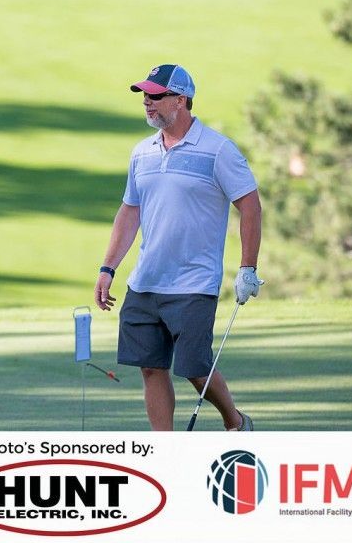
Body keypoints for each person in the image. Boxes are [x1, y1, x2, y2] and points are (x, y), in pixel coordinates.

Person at [94, 63, 264, 432]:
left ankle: (235, 422)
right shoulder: (142, 153)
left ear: (181, 100)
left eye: (156, 96)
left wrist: (247, 267)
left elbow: (249, 204)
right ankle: (164, 451)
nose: (147, 103)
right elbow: (130, 211)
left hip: (193, 282)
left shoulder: (217, 150)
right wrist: (108, 268)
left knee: (195, 369)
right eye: (144, 96)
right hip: (145, 281)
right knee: (151, 367)